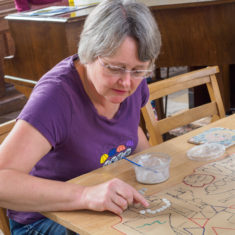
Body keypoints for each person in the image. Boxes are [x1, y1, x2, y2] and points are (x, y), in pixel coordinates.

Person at [0, 0, 161, 234]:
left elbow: (132, 134)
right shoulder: (55, 98)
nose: (127, 83)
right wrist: (86, 195)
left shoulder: (131, 87)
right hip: (43, 220)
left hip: (101, 211)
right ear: (88, 54)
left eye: (138, 70)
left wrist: (154, 168)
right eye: (115, 68)